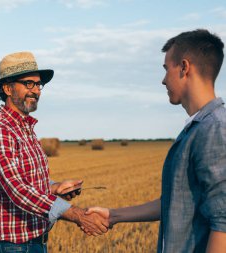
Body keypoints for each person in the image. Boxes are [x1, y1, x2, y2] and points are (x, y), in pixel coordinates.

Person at [85, 29, 226, 252]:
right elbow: (175, 203)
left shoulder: (215, 129)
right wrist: (114, 215)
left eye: (165, 69)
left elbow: (223, 222)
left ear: (184, 67)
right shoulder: (197, 128)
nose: (163, 80)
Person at [0, 51, 109, 253]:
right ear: (7, 88)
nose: (36, 90)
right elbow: (18, 190)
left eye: (39, 85)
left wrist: (55, 187)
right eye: (29, 83)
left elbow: (24, 178)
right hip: (11, 247)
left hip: (34, 243)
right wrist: (76, 214)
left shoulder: (25, 129)